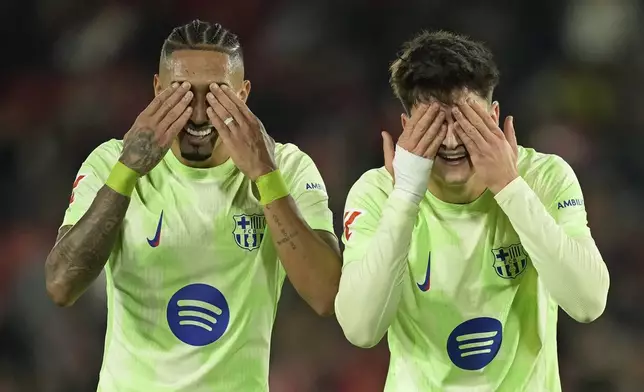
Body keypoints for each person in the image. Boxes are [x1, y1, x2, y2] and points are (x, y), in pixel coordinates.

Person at [45, 20, 341, 392]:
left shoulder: (287, 168)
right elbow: (60, 285)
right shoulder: (111, 163)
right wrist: (127, 172)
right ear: (157, 90)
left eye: (217, 96)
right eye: (183, 94)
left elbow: (327, 295)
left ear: (244, 94)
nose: (199, 114)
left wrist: (265, 175)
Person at [335, 30, 610, 391]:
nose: (450, 141)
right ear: (406, 127)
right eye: (433, 123)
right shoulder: (377, 193)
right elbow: (361, 329)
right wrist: (406, 194)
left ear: (493, 116)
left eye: (465, 121)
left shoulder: (542, 177)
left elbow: (588, 302)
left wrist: (510, 186)